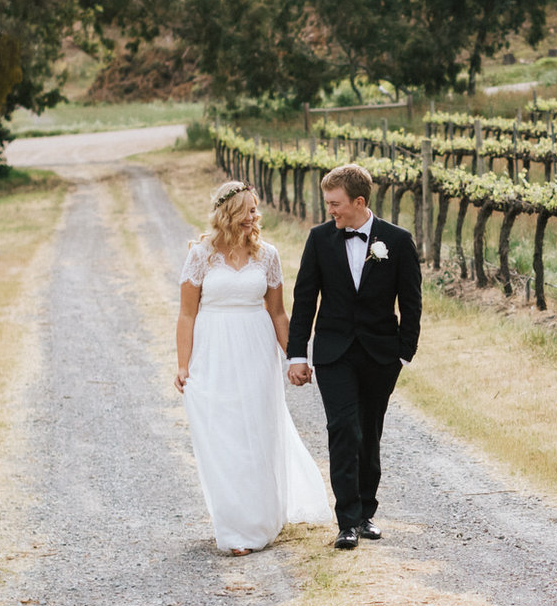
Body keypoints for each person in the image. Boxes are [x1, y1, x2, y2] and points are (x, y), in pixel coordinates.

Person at [176, 181, 331, 555]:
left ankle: (261, 516)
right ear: (227, 214)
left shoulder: (268, 256)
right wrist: (183, 365)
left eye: (255, 209)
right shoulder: (201, 256)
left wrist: (296, 357)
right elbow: (186, 314)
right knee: (223, 434)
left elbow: (278, 313)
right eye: (246, 210)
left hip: (256, 351)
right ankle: (234, 526)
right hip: (214, 351)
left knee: (260, 431)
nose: (253, 216)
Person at [284, 163, 421, 549]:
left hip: (381, 355)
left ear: (359, 202)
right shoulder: (320, 239)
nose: (331, 211)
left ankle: (366, 514)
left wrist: (403, 355)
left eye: (335, 204)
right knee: (343, 428)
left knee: (369, 432)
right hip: (333, 352)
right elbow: (305, 298)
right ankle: (346, 520)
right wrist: (297, 353)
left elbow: (411, 303)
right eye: (328, 203)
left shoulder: (397, 240)